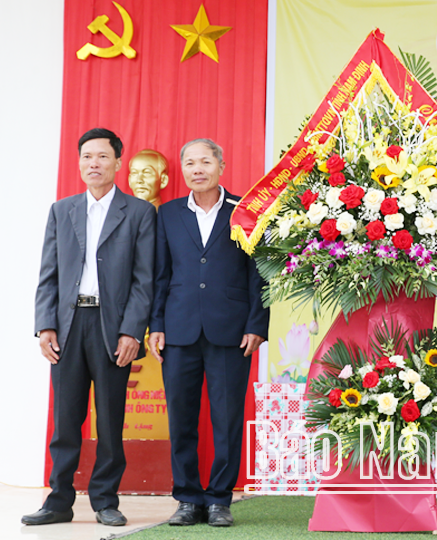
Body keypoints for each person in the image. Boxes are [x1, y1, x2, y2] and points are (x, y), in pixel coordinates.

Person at [27, 128, 156, 527]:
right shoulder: (61, 210)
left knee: (110, 420)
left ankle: (105, 499)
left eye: (102, 157)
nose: (93, 164)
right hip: (67, 326)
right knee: (66, 418)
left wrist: (133, 331)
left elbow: (144, 279)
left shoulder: (138, 213)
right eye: (86, 157)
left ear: (118, 162)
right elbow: (48, 274)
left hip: (112, 326)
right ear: (79, 162)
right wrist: (45, 325)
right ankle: (58, 500)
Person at [148, 138, 269, 527]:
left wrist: (256, 325)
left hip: (231, 331)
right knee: (181, 419)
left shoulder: (245, 212)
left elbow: (259, 273)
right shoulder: (166, 214)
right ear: (182, 170)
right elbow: (160, 274)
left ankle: (219, 499)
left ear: (221, 166)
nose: (197, 169)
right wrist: (157, 324)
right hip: (179, 329)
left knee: (228, 418)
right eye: (190, 163)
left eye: (205, 161)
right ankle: (186, 498)